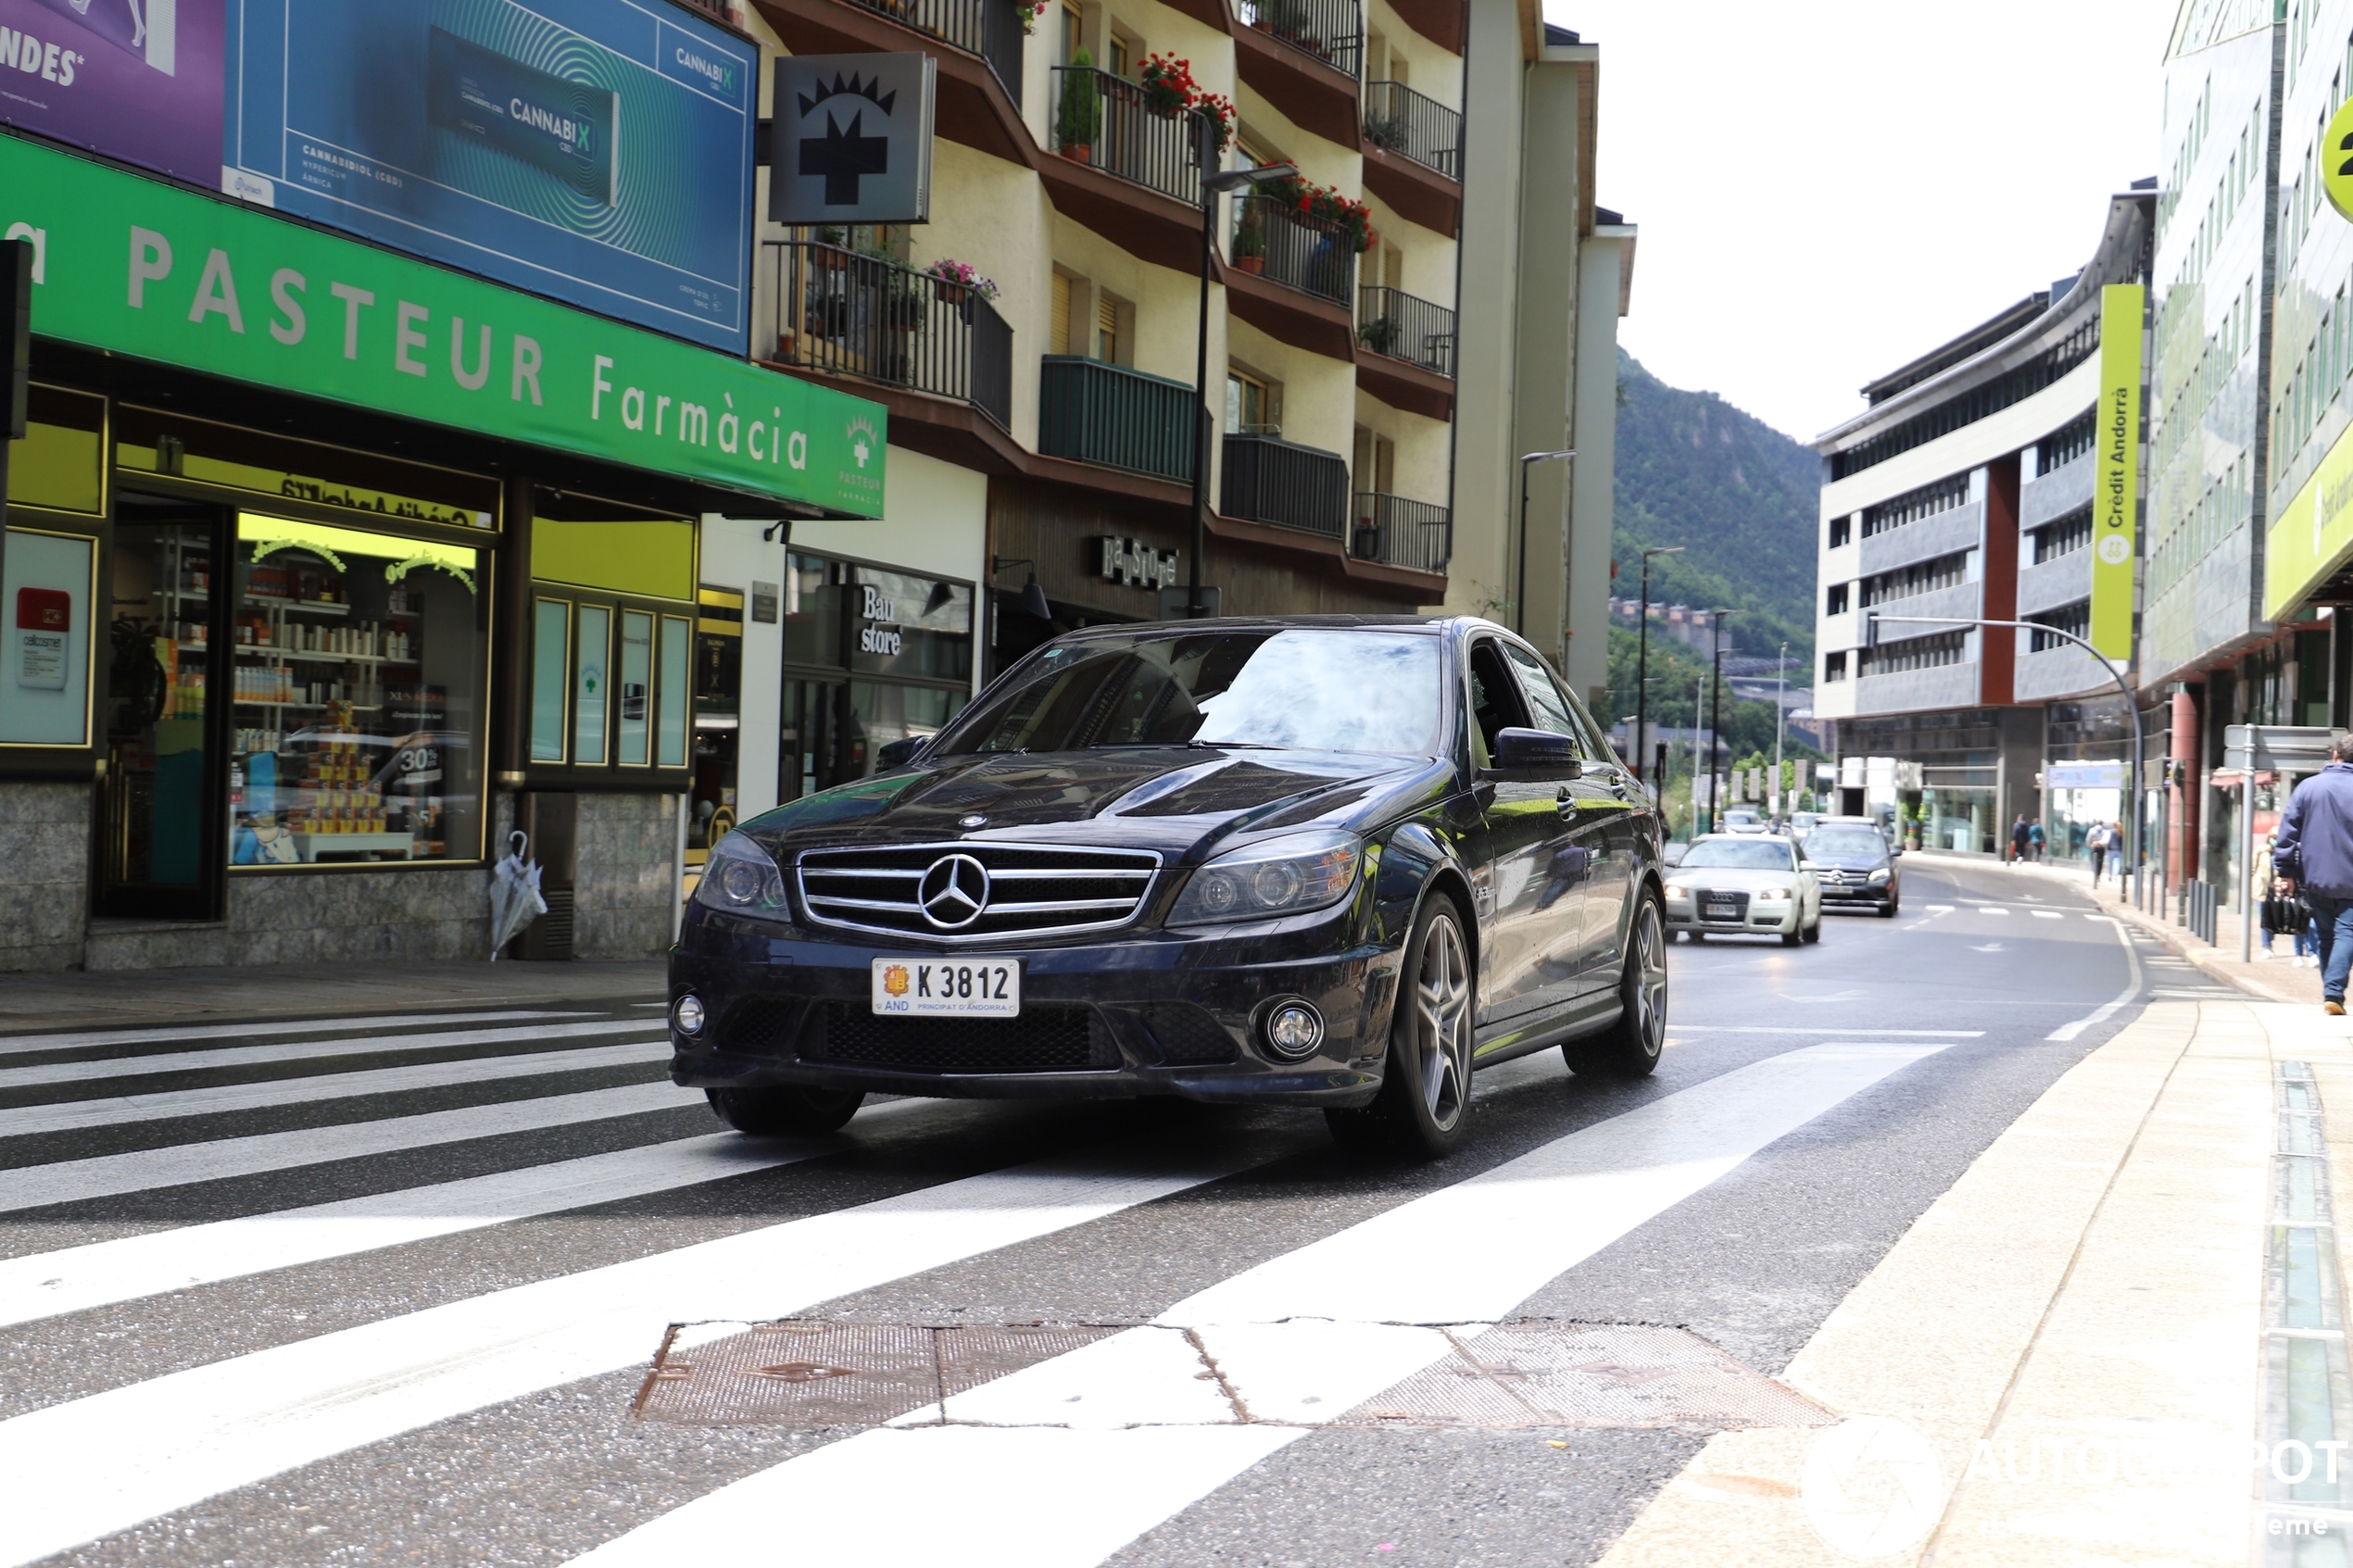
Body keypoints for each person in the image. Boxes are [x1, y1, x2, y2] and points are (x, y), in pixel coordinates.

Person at [2274, 734, 2353, 1014]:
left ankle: (2332, 993)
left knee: (2326, 935)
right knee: (2348, 933)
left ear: (2335, 756)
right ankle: (2333, 992)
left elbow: (2288, 834)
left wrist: (2286, 871)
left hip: (2316, 876)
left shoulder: (2308, 787)